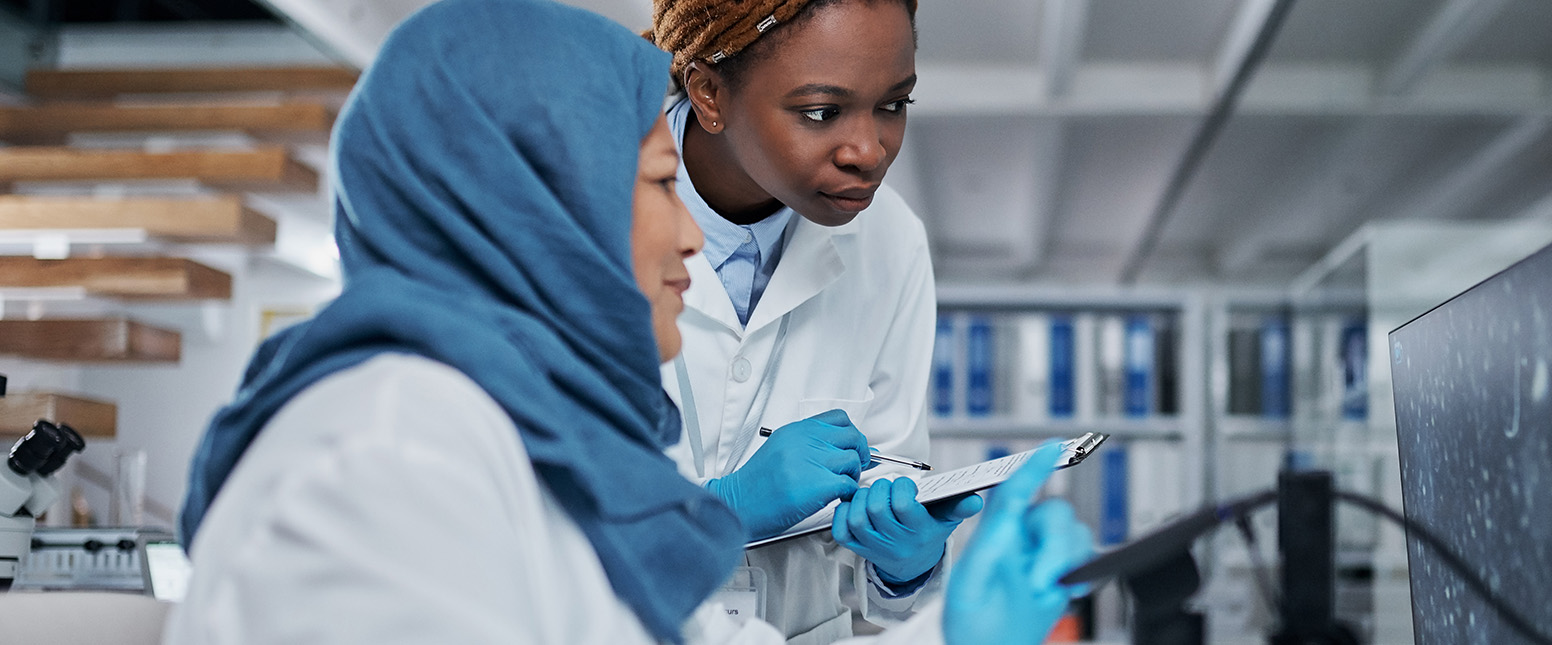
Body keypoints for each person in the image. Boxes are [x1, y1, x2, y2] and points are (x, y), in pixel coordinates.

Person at [165, 0, 1091, 643]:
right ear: (537, 208)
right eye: (659, 184)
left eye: (893, 105)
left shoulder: (529, 438)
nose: (695, 236)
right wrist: (718, 509)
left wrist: (942, 610)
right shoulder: (390, 453)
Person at [645, 0, 951, 641]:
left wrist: (904, 568)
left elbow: (894, 488)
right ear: (708, 93)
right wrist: (717, 511)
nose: (869, 151)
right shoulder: (579, 200)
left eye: (894, 105)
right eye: (821, 112)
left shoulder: (891, 240)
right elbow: (520, 525)